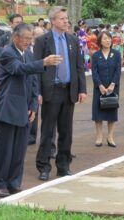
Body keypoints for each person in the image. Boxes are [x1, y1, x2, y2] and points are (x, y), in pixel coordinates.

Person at [0, 23, 62, 197]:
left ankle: (14, 182)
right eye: (25, 39)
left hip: (25, 108)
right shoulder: (7, 53)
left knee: (19, 150)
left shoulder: (30, 54)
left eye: (30, 39)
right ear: (15, 37)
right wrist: (43, 62)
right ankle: (0, 183)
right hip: (9, 108)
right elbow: (18, 69)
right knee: (5, 150)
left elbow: (33, 81)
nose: (28, 42)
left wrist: (33, 105)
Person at [34, 6, 87, 181]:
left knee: (66, 131)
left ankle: (63, 166)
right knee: (48, 131)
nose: (66, 21)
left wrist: (82, 89)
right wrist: (38, 92)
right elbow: (37, 68)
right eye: (62, 18)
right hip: (51, 91)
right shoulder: (43, 41)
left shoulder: (72, 39)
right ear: (53, 21)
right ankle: (43, 167)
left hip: (68, 91)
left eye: (66, 18)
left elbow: (79, 67)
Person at [91, 31, 121, 148]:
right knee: (98, 113)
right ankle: (99, 137)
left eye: (109, 38)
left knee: (111, 112)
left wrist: (113, 84)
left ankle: (110, 137)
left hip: (113, 88)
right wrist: (100, 85)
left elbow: (118, 71)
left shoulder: (116, 54)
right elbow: (94, 72)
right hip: (99, 88)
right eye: (104, 39)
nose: (107, 40)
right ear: (100, 41)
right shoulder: (95, 55)